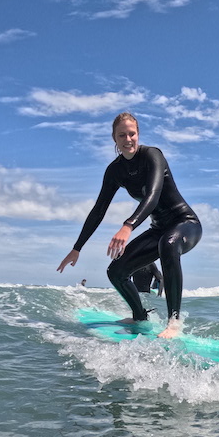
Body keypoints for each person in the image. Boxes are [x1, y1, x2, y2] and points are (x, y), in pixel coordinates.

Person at [57, 112, 202, 339]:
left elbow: (152, 195)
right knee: (116, 271)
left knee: (169, 243)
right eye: (122, 135)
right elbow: (98, 210)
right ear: (114, 138)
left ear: (138, 134)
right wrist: (77, 248)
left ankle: (174, 323)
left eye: (132, 134)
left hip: (185, 224)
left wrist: (128, 226)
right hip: (158, 230)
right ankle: (139, 317)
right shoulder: (115, 171)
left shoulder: (152, 155)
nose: (128, 139)